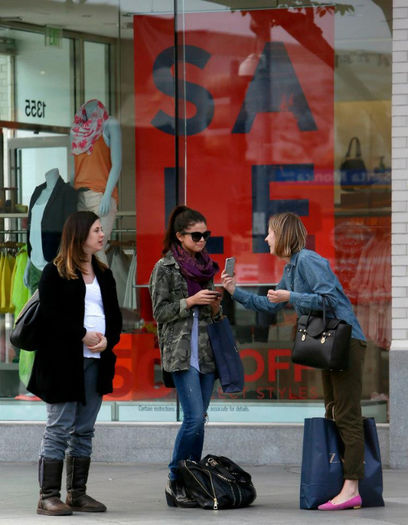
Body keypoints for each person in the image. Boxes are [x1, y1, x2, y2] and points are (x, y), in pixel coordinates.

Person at [222, 212, 366, 512]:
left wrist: (293, 294)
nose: (266, 239)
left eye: (270, 233)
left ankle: (352, 488)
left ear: (284, 234)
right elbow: (268, 305)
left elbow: (331, 300)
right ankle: (341, 480)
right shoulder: (292, 267)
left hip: (345, 341)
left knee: (347, 414)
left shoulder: (310, 260)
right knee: (333, 410)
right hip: (331, 344)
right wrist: (235, 292)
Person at [27, 211, 122, 516]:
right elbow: (51, 317)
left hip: (97, 361)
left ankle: (76, 494)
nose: (101, 234)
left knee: (84, 430)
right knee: (58, 429)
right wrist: (81, 334)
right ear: (80, 235)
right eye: (96, 230)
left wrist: (109, 340)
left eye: (100, 230)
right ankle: (48, 496)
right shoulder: (55, 272)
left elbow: (116, 317)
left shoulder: (105, 274)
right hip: (62, 363)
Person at [149, 205, 222, 507]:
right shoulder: (163, 268)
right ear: (180, 236)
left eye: (206, 234)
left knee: (200, 420)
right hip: (180, 353)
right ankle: (174, 478)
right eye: (196, 235)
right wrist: (190, 301)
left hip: (206, 353)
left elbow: (217, 319)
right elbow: (159, 313)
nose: (202, 240)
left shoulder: (207, 268)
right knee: (192, 418)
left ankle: (191, 479)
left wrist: (216, 306)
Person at [70, 99, 122, 264]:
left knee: (96, 249)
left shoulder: (109, 123)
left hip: (100, 195)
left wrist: (107, 195)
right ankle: (86, 289)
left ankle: (106, 289)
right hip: (79, 195)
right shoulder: (77, 130)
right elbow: (75, 169)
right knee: (81, 251)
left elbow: (117, 164)